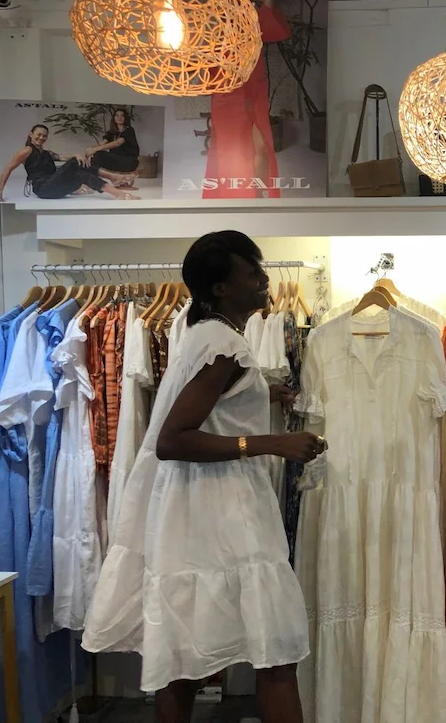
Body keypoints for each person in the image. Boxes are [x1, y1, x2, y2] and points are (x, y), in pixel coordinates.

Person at [81, 231, 324, 723]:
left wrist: (261, 395)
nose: (264, 280)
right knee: (276, 653)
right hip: (225, 511)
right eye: (252, 272)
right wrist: (271, 443)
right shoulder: (224, 345)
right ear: (220, 288)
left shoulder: (203, 334)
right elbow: (173, 440)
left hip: (193, 511)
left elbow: (207, 407)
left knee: (184, 655)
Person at [203, 0, 291, 200]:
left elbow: (271, 2)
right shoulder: (213, 33)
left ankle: (257, 194)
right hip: (227, 100)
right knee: (232, 153)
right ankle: (238, 197)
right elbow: (204, 73)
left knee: (262, 148)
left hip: (254, 95)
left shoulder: (253, 27)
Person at [0, 124, 138, 201]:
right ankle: (113, 177)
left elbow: (62, 157)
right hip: (43, 189)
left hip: (54, 189)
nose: (41, 138)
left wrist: (76, 155)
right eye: (38, 135)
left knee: (80, 173)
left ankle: (117, 193)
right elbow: (8, 168)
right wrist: (0, 190)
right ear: (31, 134)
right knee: (75, 163)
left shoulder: (46, 153)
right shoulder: (26, 151)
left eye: (44, 136)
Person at [85, 108, 141, 178]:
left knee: (98, 154)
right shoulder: (111, 132)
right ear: (114, 118)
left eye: (122, 116)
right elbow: (101, 144)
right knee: (94, 155)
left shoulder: (129, 130)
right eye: (117, 115)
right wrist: (91, 150)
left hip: (128, 162)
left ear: (125, 118)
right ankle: (92, 179)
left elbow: (117, 143)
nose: (119, 117)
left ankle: (97, 179)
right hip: (116, 160)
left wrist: (95, 149)